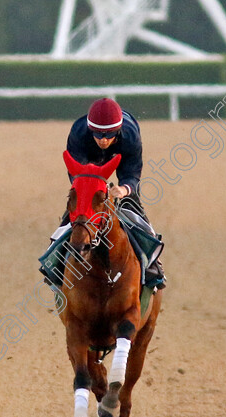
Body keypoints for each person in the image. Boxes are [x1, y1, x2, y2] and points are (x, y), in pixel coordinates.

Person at [60, 97, 165, 287]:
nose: (103, 140)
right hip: (87, 171)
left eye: (108, 136)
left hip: (122, 170)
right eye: (98, 135)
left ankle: (153, 265)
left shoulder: (130, 135)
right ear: (90, 130)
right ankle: (56, 265)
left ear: (117, 131)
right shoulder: (79, 133)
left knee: (136, 213)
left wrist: (125, 189)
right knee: (75, 214)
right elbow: (77, 171)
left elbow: (132, 171)